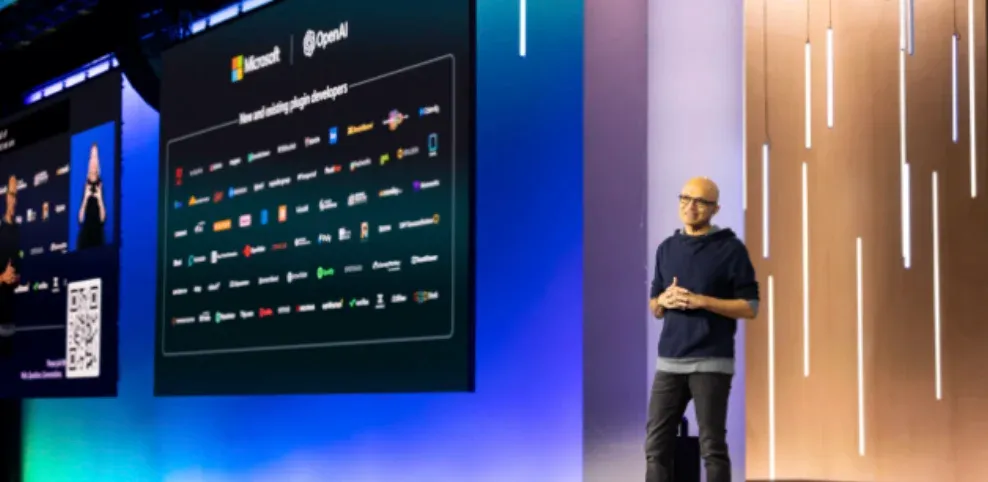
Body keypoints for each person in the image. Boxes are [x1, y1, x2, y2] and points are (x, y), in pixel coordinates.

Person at [645, 177, 760, 482]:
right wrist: (662, 301)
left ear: (715, 209)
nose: (690, 206)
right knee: (656, 446)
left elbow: (750, 307)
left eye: (699, 201)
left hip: (711, 360)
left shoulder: (731, 250)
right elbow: (654, 307)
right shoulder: (666, 248)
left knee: (712, 447)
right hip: (669, 360)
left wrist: (702, 301)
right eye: (684, 198)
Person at [0, 176, 21, 358]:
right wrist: (1, 278)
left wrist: (14, 278)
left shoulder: (18, 232)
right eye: (11, 194)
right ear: (6, 196)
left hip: (9, 321)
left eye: (16, 195)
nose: (13, 200)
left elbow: (19, 273)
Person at [77, 142, 106, 249]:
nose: (93, 160)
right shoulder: (85, 185)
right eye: (92, 157)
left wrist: (99, 199)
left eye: (96, 156)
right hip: (85, 239)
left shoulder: (101, 185)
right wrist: (85, 197)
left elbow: (103, 219)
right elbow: (80, 219)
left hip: (98, 238)